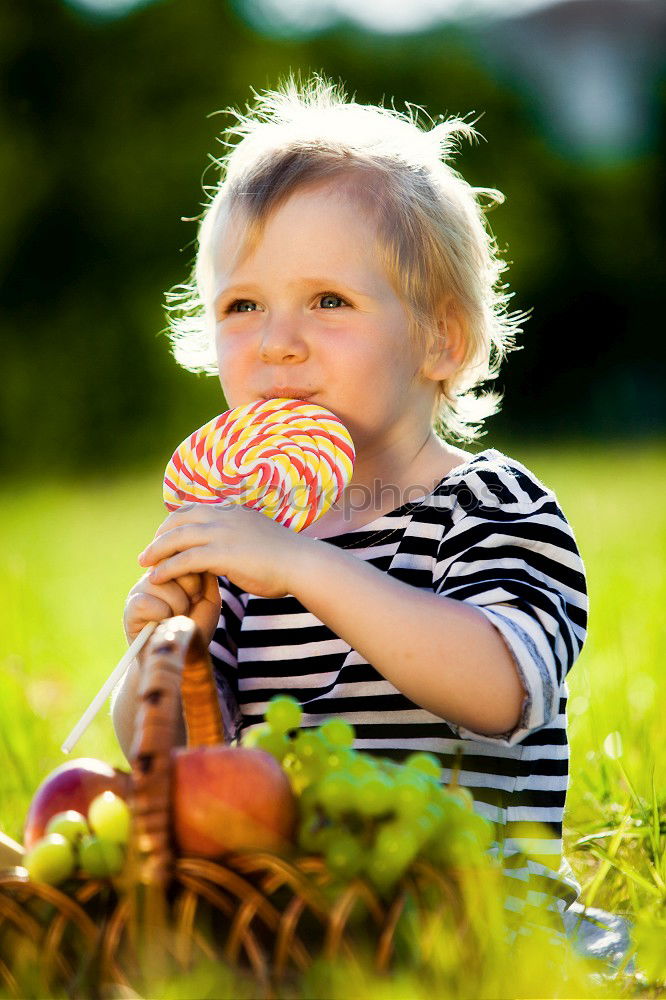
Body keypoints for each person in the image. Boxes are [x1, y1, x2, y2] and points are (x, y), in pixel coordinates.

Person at [113, 75, 588, 923]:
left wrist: (301, 565)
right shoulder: (246, 540)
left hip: (479, 921)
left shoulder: (489, 504)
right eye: (243, 305)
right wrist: (158, 652)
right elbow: (194, 768)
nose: (278, 344)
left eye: (329, 301)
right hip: (299, 925)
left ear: (443, 337)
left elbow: (500, 688)